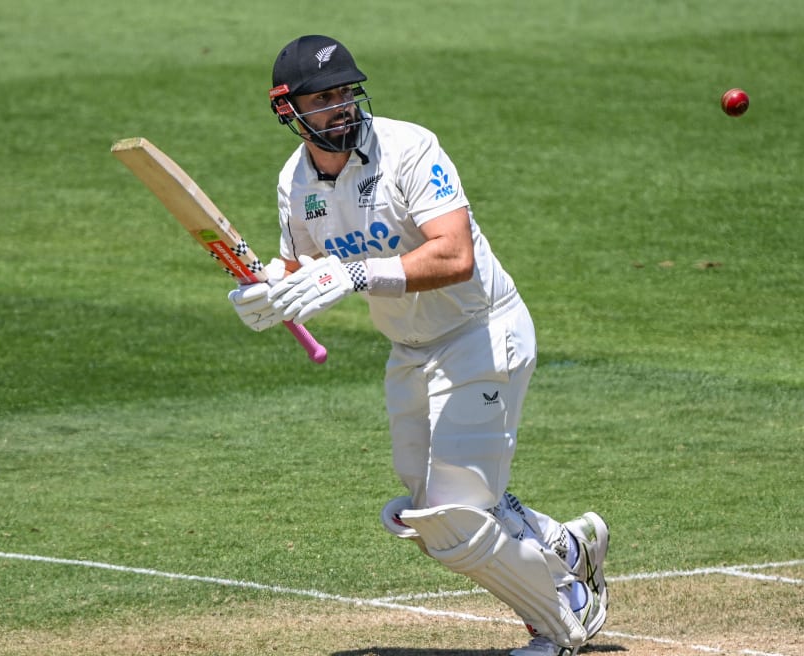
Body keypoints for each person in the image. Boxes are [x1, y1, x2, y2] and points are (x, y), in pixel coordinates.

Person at [229, 34, 610, 656]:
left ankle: (562, 622)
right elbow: (299, 266)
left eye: (347, 92)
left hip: (482, 332)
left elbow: (454, 255)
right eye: (324, 98)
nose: (343, 107)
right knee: (428, 509)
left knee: (453, 515)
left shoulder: (409, 148)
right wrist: (266, 294)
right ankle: (567, 546)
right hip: (409, 350)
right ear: (288, 111)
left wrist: (355, 273)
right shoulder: (295, 182)